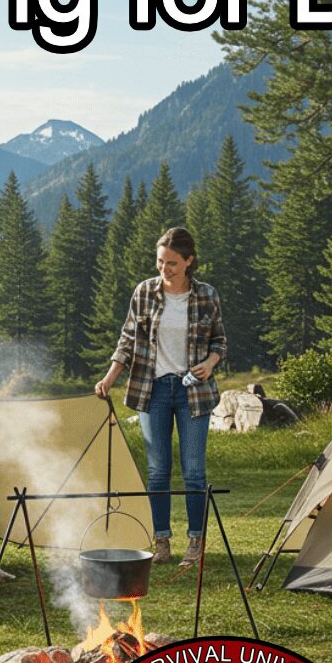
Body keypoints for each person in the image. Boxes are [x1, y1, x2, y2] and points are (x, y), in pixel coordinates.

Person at [94, 227, 226, 567]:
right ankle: (162, 541)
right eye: (160, 262)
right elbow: (127, 339)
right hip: (152, 389)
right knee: (157, 471)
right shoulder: (144, 292)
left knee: (194, 471)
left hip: (193, 391)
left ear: (189, 261)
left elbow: (219, 341)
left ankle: (195, 542)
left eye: (172, 263)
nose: (164, 269)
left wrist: (210, 363)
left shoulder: (206, 295)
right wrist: (110, 377)